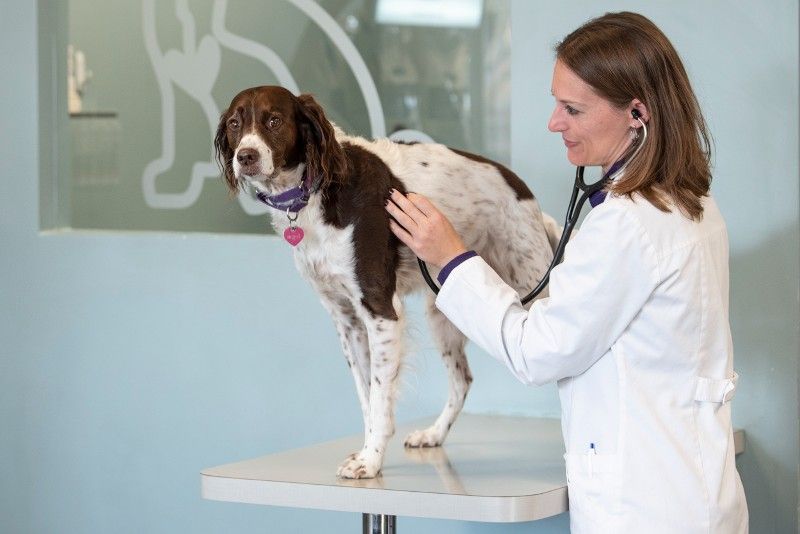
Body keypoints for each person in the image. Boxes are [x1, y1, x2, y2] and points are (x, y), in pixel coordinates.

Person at [385, 11, 749, 534]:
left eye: (572, 108)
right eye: (557, 103)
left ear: (637, 115)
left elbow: (539, 352)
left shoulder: (628, 224)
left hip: (646, 509)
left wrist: (452, 259)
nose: (555, 122)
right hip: (694, 493)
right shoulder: (690, 204)